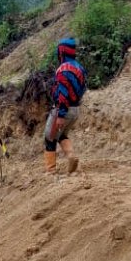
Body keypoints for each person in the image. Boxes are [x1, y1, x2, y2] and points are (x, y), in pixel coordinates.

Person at [44, 38, 86, 175]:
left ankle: (51, 171)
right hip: (75, 109)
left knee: (50, 137)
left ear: (62, 51)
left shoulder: (63, 69)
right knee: (62, 135)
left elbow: (62, 93)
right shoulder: (80, 68)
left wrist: (60, 114)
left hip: (63, 109)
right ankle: (71, 156)